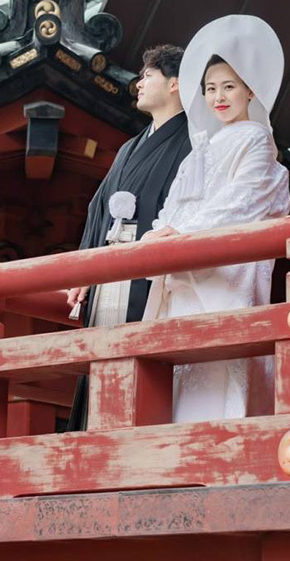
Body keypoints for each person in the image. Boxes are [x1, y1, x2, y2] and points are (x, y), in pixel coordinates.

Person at [141, 14, 290, 423]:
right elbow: (171, 209)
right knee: (178, 373)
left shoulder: (258, 141)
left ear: (249, 91)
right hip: (185, 275)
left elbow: (242, 203)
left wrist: (182, 233)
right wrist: (159, 236)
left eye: (229, 87)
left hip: (224, 274)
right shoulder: (198, 152)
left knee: (219, 370)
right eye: (210, 89)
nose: (218, 97)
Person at [66, 43, 191, 430]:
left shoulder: (195, 143)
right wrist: (84, 269)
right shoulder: (127, 150)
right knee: (102, 364)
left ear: (175, 84)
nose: (138, 84)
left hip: (157, 277)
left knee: (144, 367)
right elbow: (97, 209)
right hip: (110, 271)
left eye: (148, 76)